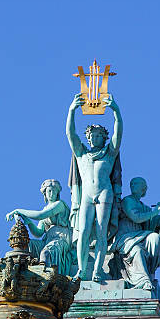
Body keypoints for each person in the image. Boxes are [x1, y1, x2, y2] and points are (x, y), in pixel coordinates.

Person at [66, 93, 123, 282]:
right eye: (92, 135)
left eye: (99, 135)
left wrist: (116, 112)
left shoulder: (109, 152)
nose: (94, 138)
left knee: (101, 231)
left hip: (104, 193)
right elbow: (70, 134)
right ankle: (82, 270)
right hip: (87, 196)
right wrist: (71, 111)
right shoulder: (81, 154)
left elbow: (118, 133)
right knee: (82, 232)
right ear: (88, 137)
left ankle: (97, 270)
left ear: (103, 138)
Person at [110, 177, 160, 290]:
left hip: (139, 235)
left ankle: (150, 271)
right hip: (126, 237)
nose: (133, 185)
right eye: (132, 183)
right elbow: (136, 217)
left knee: (155, 238)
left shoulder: (144, 207)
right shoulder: (127, 201)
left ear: (144, 189)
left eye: (136, 183)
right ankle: (143, 280)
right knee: (137, 250)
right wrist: (154, 212)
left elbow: (156, 220)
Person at [5, 179, 72, 275]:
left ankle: (47, 277)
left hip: (61, 239)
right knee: (28, 245)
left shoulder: (59, 205)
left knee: (45, 253)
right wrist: (28, 221)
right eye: (49, 191)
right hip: (48, 240)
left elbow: (40, 215)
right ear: (45, 193)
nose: (51, 193)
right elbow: (38, 232)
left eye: (54, 191)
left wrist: (18, 210)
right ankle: (24, 273)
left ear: (58, 193)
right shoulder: (46, 209)